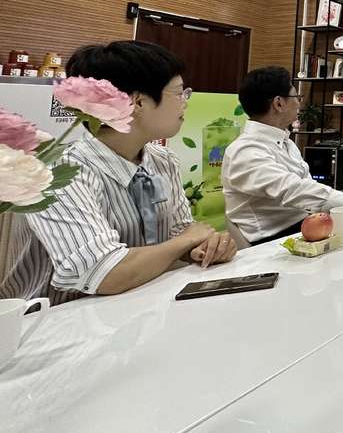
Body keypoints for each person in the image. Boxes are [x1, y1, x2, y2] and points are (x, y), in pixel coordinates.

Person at [6, 41, 236, 304]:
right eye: (179, 93)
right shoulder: (59, 173)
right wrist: (185, 241)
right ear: (138, 102)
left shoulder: (163, 160)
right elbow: (105, 274)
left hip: (142, 306)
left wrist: (205, 246)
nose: (185, 103)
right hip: (55, 319)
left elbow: (183, 233)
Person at [222, 66, 343, 244]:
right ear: (279, 103)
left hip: (307, 226)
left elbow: (307, 186)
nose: (299, 103)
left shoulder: (285, 142)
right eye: (296, 97)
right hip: (273, 241)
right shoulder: (244, 151)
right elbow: (293, 189)